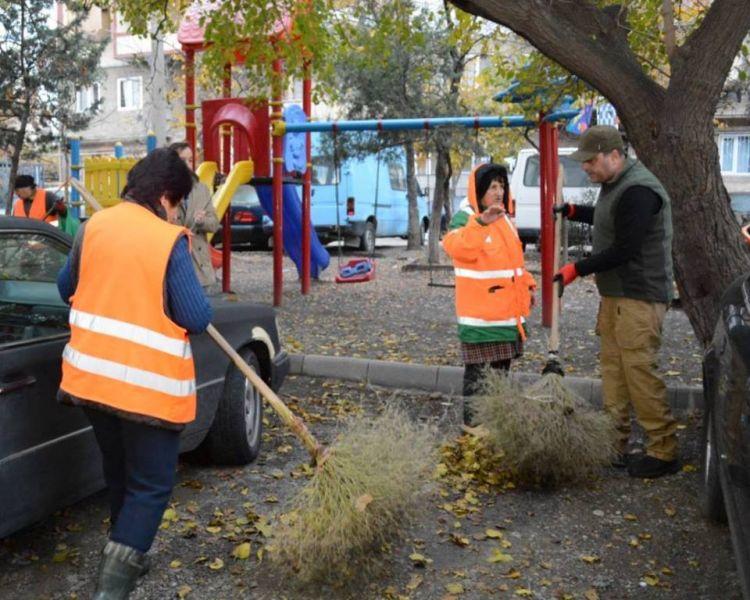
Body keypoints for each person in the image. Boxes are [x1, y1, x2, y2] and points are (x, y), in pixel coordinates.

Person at [56, 148, 212, 599]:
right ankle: (111, 590)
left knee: (121, 472)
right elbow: (196, 316)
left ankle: (126, 556)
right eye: (179, 202)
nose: (179, 211)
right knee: (152, 485)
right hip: (145, 391)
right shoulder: (167, 241)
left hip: (91, 382)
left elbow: (66, 287)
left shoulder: (93, 228)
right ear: (165, 197)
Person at [553, 125, 679, 479]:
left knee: (638, 372)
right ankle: (614, 442)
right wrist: (575, 210)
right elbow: (611, 219)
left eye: (591, 162)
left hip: (638, 297)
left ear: (614, 155)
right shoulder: (615, 186)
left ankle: (663, 449)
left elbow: (626, 247)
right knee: (614, 371)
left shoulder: (640, 190)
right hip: (617, 296)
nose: (588, 169)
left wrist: (576, 269)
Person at [442, 163, 536, 425]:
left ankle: (493, 427)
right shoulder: (466, 217)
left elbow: (512, 263)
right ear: (479, 190)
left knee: (500, 377)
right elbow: (457, 247)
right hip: (481, 320)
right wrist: (481, 223)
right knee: (479, 380)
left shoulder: (505, 219)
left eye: (501, 186)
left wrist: (527, 285)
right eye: (492, 186)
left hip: (507, 318)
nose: (498, 191)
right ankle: (473, 432)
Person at [169, 142, 220, 291]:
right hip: (173, 263)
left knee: (200, 310)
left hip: (199, 266)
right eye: (182, 160)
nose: (187, 165)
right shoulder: (163, 190)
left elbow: (214, 224)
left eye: (190, 160)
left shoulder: (200, 189)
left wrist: (202, 221)